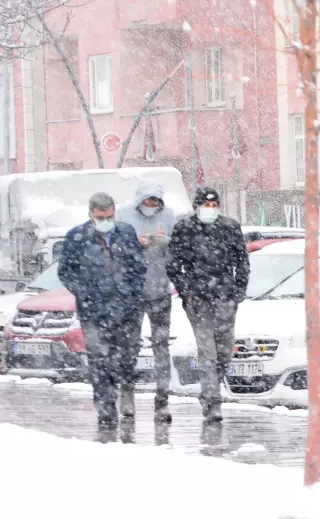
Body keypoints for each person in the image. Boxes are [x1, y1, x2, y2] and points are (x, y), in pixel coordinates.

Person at [59, 193, 147, 424]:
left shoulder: (125, 233)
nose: (105, 221)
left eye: (109, 216)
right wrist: (85, 291)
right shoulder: (76, 237)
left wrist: (131, 294)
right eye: (100, 217)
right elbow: (65, 272)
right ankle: (106, 409)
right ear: (91, 215)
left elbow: (138, 266)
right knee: (99, 361)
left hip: (127, 310)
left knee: (126, 357)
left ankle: (125, 388)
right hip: (94, 312)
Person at [166, 187, 249, 422]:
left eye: (214, 206)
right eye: (206, 205)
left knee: (224, 350)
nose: (210, 210)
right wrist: (187, 292)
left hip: (225, 297)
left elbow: (242, 261)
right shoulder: (185, 228)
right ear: (196, 207)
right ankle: (212, 401)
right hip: (198, 299)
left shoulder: (230, 227)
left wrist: (238, 291)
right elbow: (173, 264)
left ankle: (211, 388)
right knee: (207, 352)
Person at [116, 181, 177, 422]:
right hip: (131, 292)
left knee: (161, 346)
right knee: (130, 345)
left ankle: (162, 400)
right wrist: (134, 243)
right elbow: (114, 249)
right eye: (147, 201)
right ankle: (127, 392)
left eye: (155, 201)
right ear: (138, 200)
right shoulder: (123, 216)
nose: (151, 206)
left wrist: (165, 242)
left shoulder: (170, 216)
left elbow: (178, 251)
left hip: (160, 291)